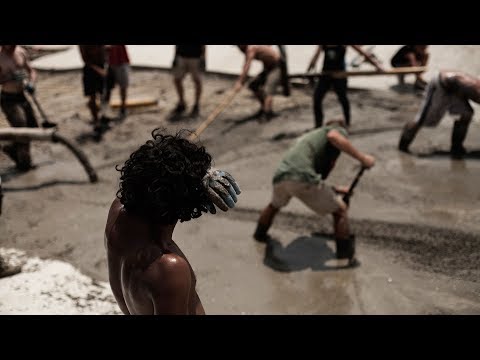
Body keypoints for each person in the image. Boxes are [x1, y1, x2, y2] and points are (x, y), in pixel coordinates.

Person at [104, 128, 241, 315]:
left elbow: (156, 174)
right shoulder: (169, 268)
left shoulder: (117, 214)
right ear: (185, 200)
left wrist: (192, 181)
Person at [253, 119, 375, 262]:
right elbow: (334, 137)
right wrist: (363, 158)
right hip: (301, 176)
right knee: (340, 211)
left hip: (282, 176)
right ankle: (344, 257)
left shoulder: (309, 137)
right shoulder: (333, 130)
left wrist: (336, 189)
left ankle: (259, 237)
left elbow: (313, 180)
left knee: (274, 205)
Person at [398, 70, 480, 158]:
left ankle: (457, 148)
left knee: (466, 114)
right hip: (441, 84)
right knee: (422, 119)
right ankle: (402, 147)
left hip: (456, 90)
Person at [307, 45, 384, 128]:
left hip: (340, 75)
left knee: (342, 98)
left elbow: (362, 53)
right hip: (326, 74)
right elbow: (315, 57)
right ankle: (318, 125)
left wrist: (376, 65)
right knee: (317, 98)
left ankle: (347, 123)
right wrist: (308, 70)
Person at [0, 45, 41, 171]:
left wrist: (31, 83)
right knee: (21, 126)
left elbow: (32, 71)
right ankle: (25, 163)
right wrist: (10, 78)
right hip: (8, 98)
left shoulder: (20, 52)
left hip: (22, 95)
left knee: (33, 127)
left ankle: (11, 148)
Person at [235, 45, 283, 121]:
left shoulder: (251, 48)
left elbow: (247, 66)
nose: (239, 48)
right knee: (253, 85)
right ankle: (264, 108)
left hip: (277, 67)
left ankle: (267, 114)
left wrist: (240, 82)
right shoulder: (249, 49)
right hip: (268, 68)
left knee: (268, 90)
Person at [78, 45, 114, 134]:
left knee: (105, 93)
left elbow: (104, 51)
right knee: (92, 96)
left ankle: (103, 116)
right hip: (90, 71)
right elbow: (86, 60)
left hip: (102, 67)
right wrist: (99, 70)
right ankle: (96, 122)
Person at [171, 45, 206, 118]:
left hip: (195, 57)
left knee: (197, 81)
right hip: (181, 56)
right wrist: (175, 57)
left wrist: (203, 58)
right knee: (177, 80)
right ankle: (181, 102)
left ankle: (196, 104)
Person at [107, 45, 130, 118]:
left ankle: (123, 107)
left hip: (121, 61)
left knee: (123, 86)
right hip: (109, 62)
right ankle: (105, 110)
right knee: (107, 88)